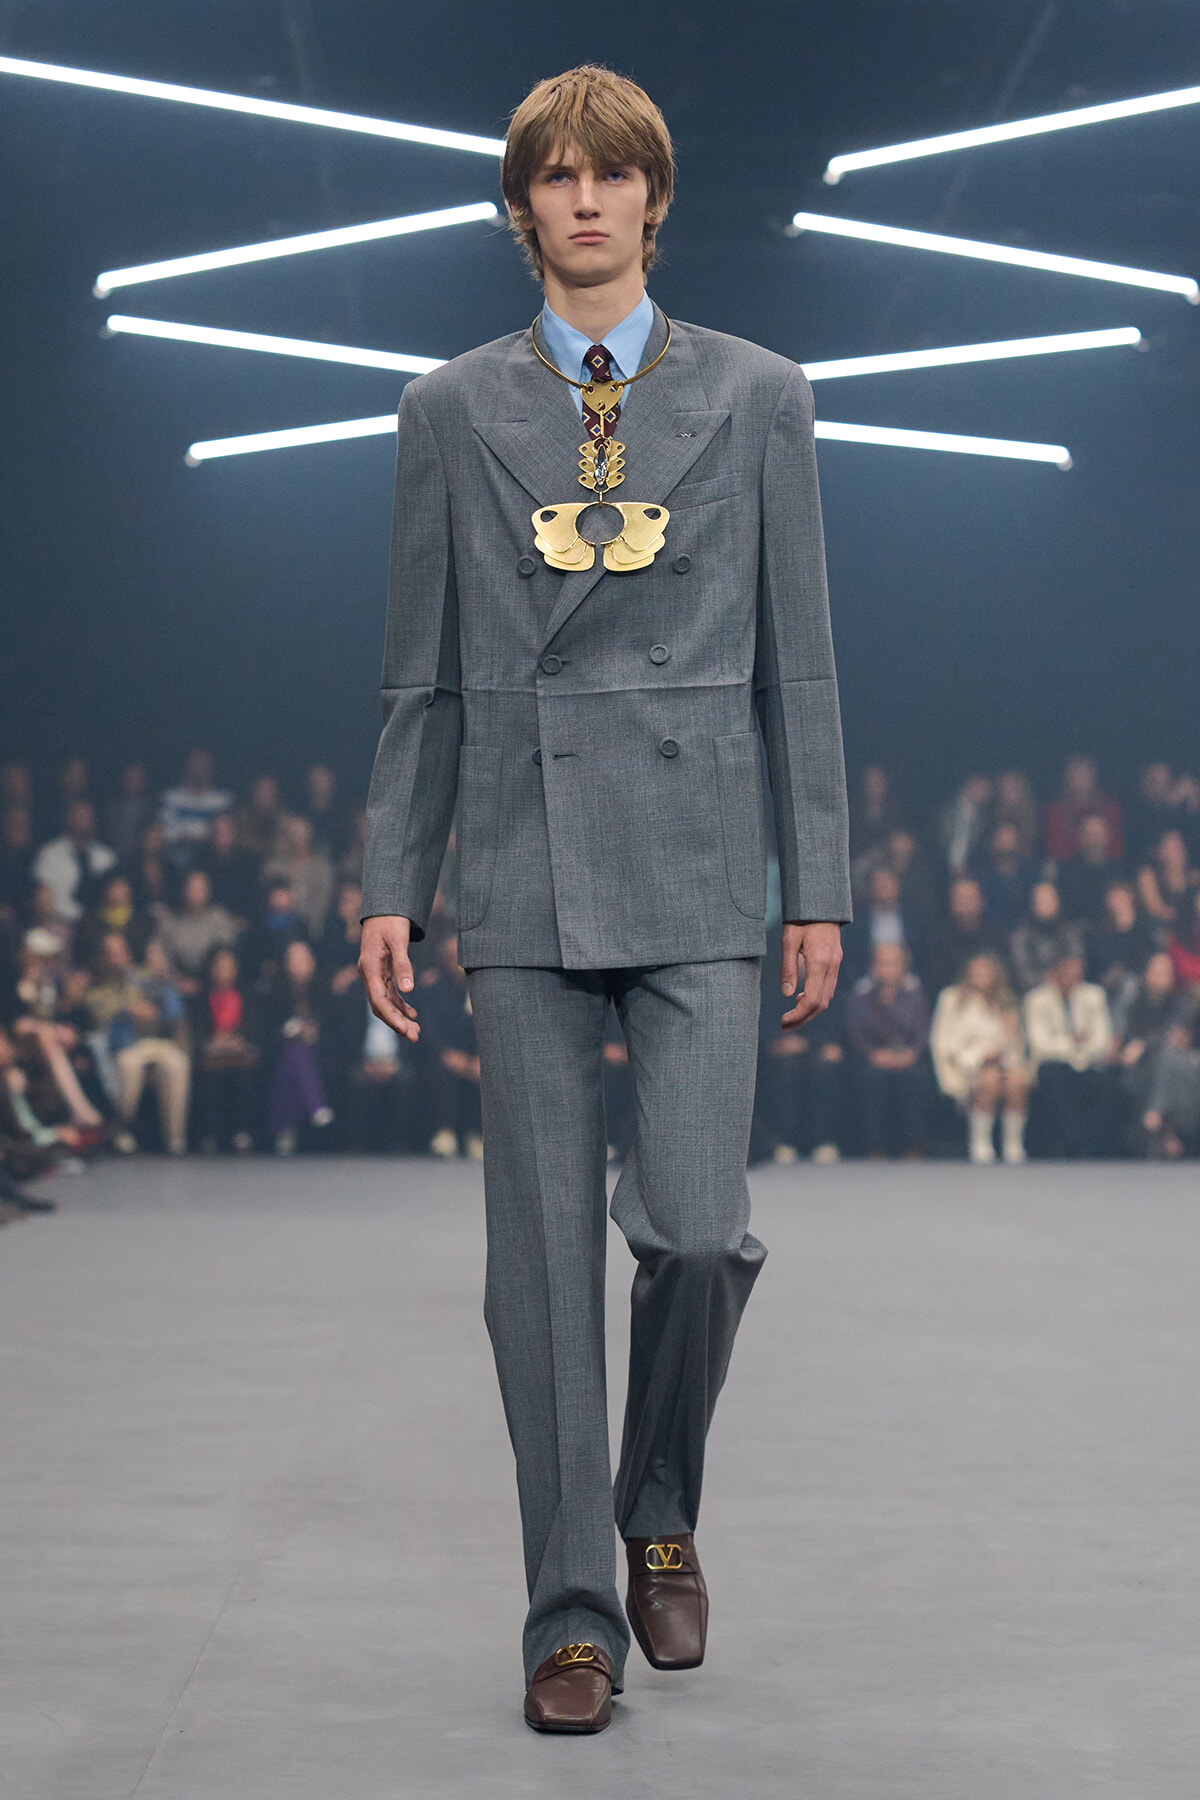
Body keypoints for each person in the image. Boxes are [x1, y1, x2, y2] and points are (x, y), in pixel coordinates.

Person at [356, 65, 850, 1733]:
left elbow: (805, 655)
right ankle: (568, 1622)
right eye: (552, 176)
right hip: (521, 861)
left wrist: (822, 881)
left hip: (707, 858)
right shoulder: (446, 414)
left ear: (654, 201)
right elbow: (417, 677)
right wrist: (388, 877)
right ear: (520, 211)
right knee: (541, 1263)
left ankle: (656, 1507)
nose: (581, 198)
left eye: (608, 174)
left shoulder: (765, 398)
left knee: (699, 1235)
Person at [85, 933, 191, 1155]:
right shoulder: (96, 988)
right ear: (101, 958)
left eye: (119, 953)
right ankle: (122, 1129)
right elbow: (103, 1016)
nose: (115, 959)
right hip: (126, 1045)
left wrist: (156, 1001)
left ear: (128, 955)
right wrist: (129, 1011)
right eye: (109, 954)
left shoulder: (144, 977)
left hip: (158, 1041)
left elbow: (169, 1010)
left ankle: (175, 1140)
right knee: (128, 1066)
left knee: (177, 1064)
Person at [930, 951, 1030, 1164]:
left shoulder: (1005, 1002)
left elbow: (1016, 1048)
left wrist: (1009, 1030)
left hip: (1003, 1064)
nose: (981, 976)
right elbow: (944, 1042)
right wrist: (980, 1057)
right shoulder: (952, 999)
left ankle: (1013, 1143)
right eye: (976, 971)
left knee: (1017, 1081)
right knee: (989, 1080)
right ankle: (980, 1142)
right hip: (965, 1066)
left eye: (986, 971)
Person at [1024, 952, 1114, 1157]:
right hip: (1052, 1064)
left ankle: (1092, 1145)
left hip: (1088, 1062)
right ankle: (1069, 1142)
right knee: (1053, 1078)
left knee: (1102, 1082)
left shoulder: (1094, 995)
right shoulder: (1036, 999)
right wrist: (1073, 1043)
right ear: (1055, 972)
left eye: (1078, 970)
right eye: (1068, 969)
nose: (1074, 975)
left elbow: (1102, 1042)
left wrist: (1077, 1050)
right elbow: (1040, 1045)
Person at [846, 942, 928, 1157]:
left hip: (908, 1057)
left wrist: (911, 1054)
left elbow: (922, 1031)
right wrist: (873, 1054)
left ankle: (913, 1145)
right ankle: (874, 1146)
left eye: (893, 964)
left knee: (915, 1078)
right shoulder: (861, 994)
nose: (888, 969)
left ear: (904, 966)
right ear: (874, 967)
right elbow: (855, 1032)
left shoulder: (915, 994)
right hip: (872, 1057)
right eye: (883, 964)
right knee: (873, 1079)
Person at [1112, 951, 1198, 1156]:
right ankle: (1164, 1130)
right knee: (1167, 1061)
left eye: (1166, 973)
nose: (1162, 977)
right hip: (1142, 1072)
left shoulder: (1179, 1005)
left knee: (1171, 1059)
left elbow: (1171, 1038)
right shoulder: (1134, 1004)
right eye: (1157, 972)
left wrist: (1144, 1045)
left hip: (1170, 1068)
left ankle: (1155, 1116)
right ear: (1147, 974)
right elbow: (1125, 1044)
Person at [264, 939, 334, 1156]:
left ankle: (285, 1131)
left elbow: (334, 1023)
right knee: (293, 1055)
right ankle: (315, 1104)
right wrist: (289, 1030)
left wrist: (315, 1031)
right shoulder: (276, 989)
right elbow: (267, 1027)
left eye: (302, 960)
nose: (298, 965)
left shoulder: (323, 987)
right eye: (293, 961)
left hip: (321, 1050)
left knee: (293, 1062)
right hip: (284, 1048)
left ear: (312, 963)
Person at [190, 946, 259, 1154]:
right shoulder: (200, 998)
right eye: (219, 965)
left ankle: (241, 1132)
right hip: (210, 1056)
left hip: (240, 1054)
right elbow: (197, 1032)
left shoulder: (246, 996)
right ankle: (210, 1134)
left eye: (228, 965)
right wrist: (213, 1043)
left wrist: (238, 1041)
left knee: (246, 1077)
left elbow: (253, 1029)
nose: (223, 970)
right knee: (211, 1080)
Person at [155, 869, 240, 997]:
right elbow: (160, 958)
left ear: (208, 891)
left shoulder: (218, 918)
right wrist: (176, 980)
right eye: (192, 888)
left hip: (213, 985)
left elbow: (227, 957)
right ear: (184, 890)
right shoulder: (170, 923)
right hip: (177, 984)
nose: (195, 893)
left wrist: (208, 983)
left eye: (200, 889)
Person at [31, 799, 117, 925]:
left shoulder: (107, 857)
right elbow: (42, 897)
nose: (82, 822)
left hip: (100, 927)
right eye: (78, 816)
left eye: (86, 816)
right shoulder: (50, 855)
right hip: (60, 923)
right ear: (68, 819)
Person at [922, 876, 1008, 999]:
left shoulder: (997, 937)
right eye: (961, 900)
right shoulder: (938, 940)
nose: (966, 905)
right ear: (952, 903)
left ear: (981, 901)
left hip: (992, 1000)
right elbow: (934, 982)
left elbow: (1004, 978)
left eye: (970, 899)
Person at [1046, 754, 1123, 864]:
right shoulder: (1056, 810)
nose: (1080, 778)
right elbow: (1055, 850)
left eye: (1084, 773)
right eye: (1075, 773)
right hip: (1067, 869)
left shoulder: (1109, 808)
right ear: (1067, 777)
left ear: (1093, 776)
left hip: (1105, 868)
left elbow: (1115, 848)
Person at [1010, 881, 1083, 994]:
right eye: (1043, 901)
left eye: (1050, 900)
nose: (1048, 904)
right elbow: (1023, 974)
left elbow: (1076, 962)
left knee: (1092, 995)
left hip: (1070, 987)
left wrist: (1065, 979)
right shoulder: (1022, 936)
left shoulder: (1069, 931)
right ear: (1034, 905)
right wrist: (1048, 979)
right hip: (1038, 990)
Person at [1056, 812, 1124, 928]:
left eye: (1098, 834)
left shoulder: (1120, 870)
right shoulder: (1067, 872)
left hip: (1112, 931)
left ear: (1108, 836)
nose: (1094, 841)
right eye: (1089, 835)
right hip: (1078, 933)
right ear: (1080, 837)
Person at [974, 819, 1038, 935]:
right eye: (1002, 839)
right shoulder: (982, 876)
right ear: (993, 842)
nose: (1006, 843)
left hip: (1028, 933)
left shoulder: (1031, 873)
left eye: (1010, 839)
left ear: (1018, 842)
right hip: (992, 933)